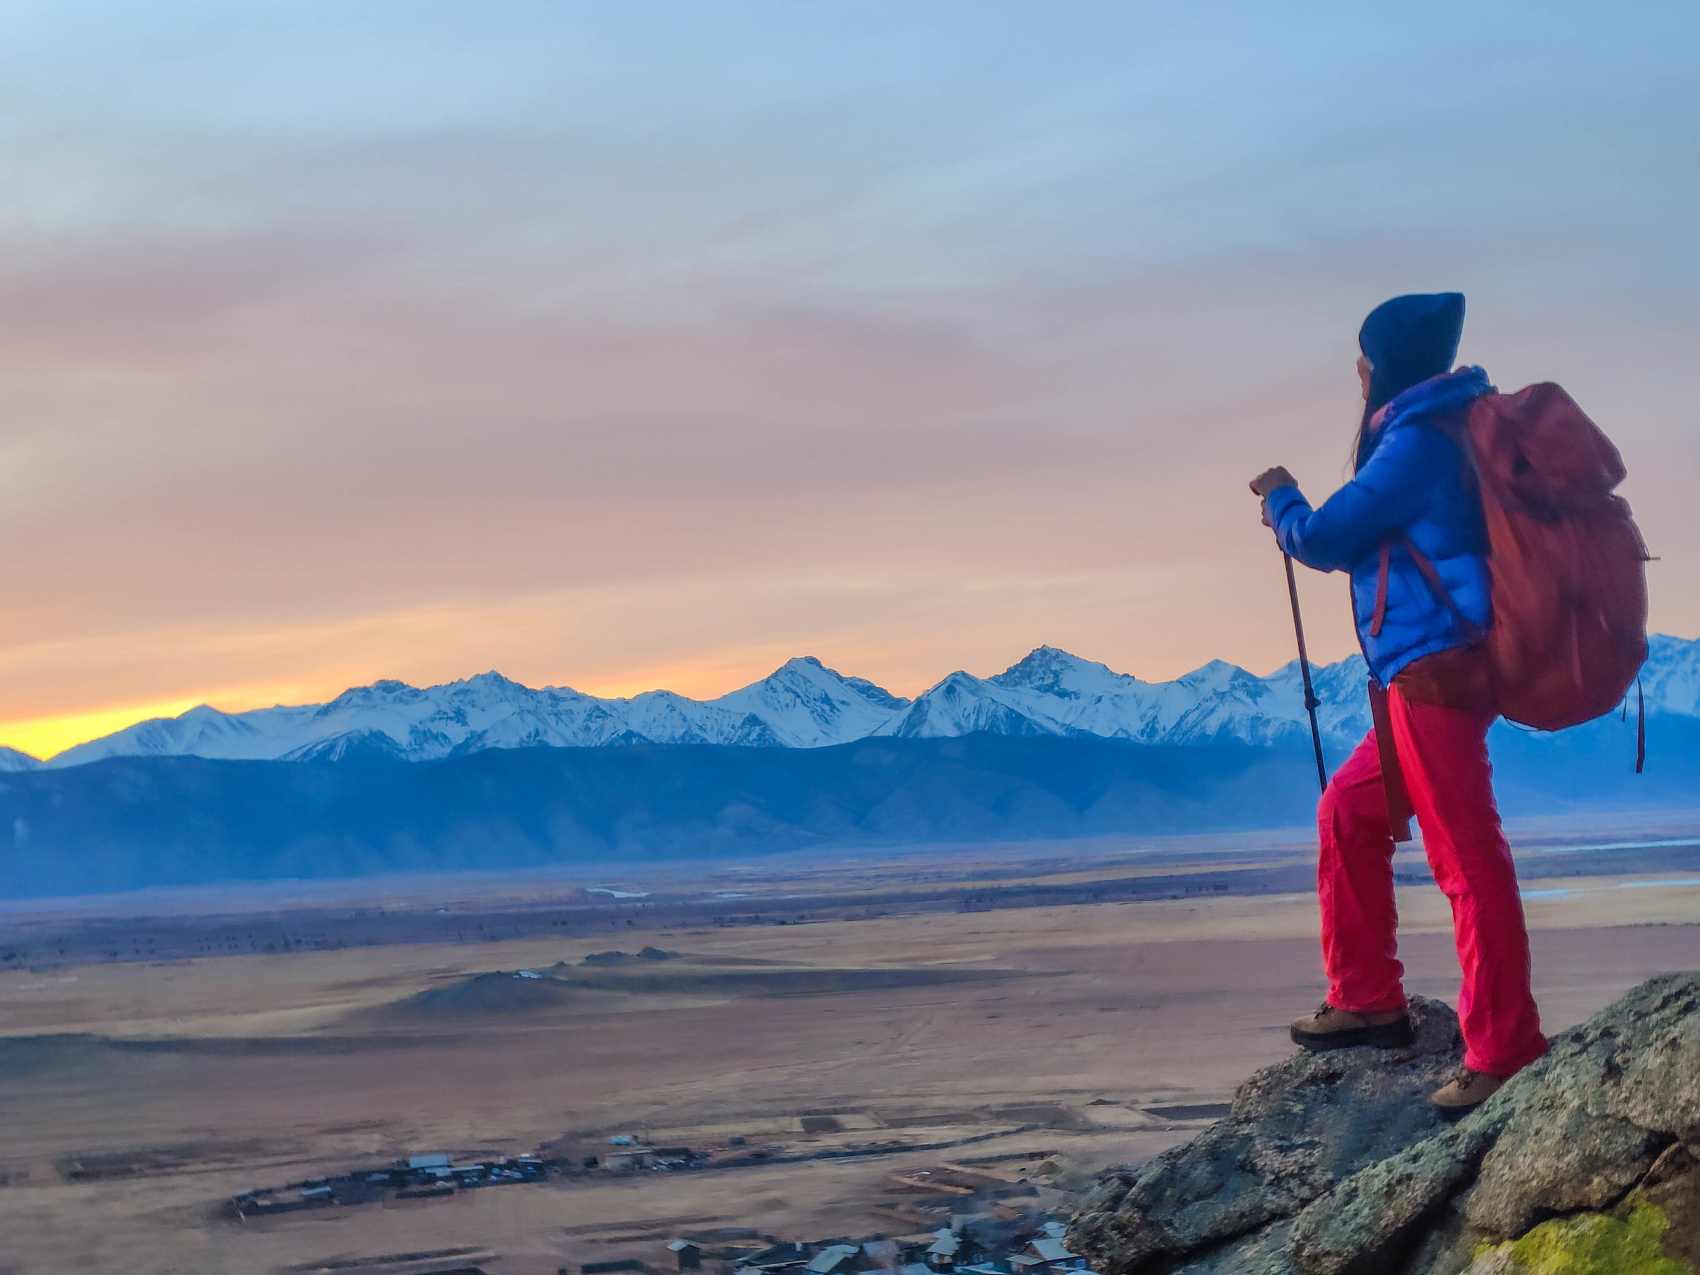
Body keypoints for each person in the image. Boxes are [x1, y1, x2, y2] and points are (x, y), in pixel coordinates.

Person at [1248, 292, 1548, 1117]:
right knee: (1348, 810)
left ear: (1384, 365)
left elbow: (1325, 537)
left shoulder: (1417, 442)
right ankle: (1367, 996)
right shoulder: (1445, 427)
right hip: (1421, 676)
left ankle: (1505, 1046)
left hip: (1434, 675)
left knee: (1466, 860)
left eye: (1365, 359)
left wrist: (1280, 497)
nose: (1358, 372)